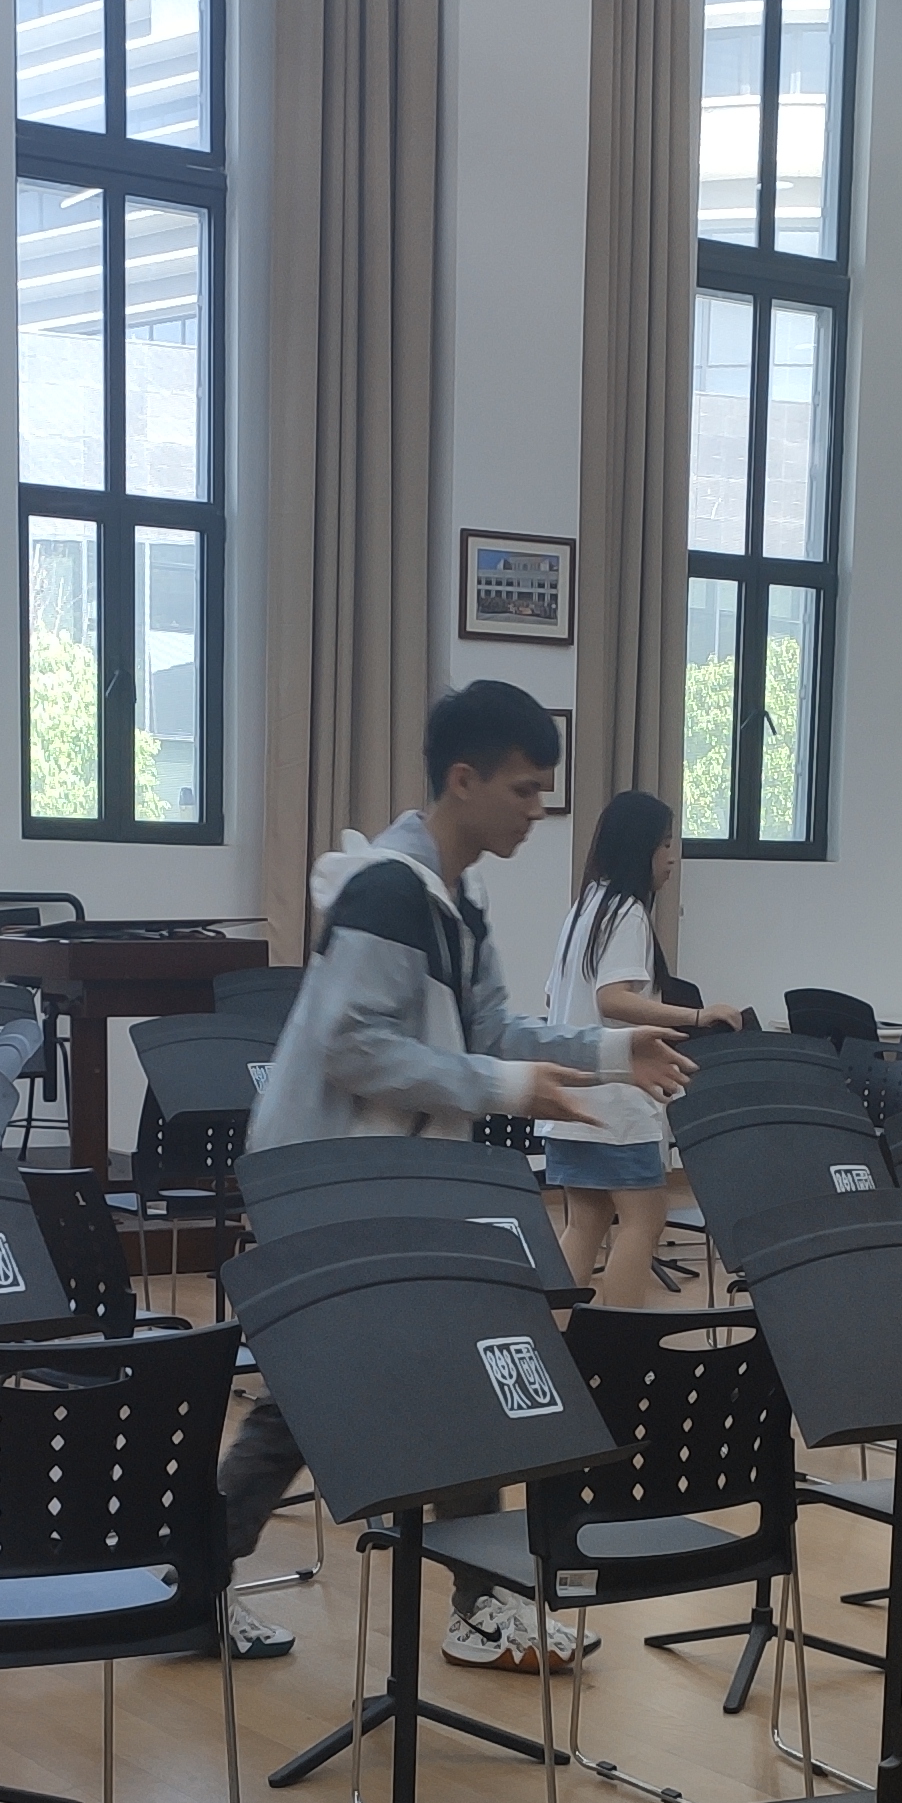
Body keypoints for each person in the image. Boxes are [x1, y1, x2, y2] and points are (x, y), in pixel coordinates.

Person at [212, 682, 695, 1668]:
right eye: (524, 789)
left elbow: (492, 1033)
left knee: (452, 1374)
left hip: (391, 1183)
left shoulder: (457, 896)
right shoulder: (389, 892)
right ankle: (196, 1580)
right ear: (463, 780)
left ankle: (474, 1603)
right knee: (320, 1395)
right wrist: (503, 1084)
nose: (538, 810)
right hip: (329, 1187)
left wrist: (612, 1052)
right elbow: (352, 1046)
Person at [539, 790, 736, 1306]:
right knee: (644, 1222)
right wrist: (697, 1016)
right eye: (665, 844)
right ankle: (618, 1342)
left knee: (584, 1223)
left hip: (571, 1100)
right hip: (614, 1104)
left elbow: (555, 997)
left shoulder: (585, 908)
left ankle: (556, 1336)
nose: (672, 857)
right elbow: (613, 999)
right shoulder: (625, 912)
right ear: (639, 847)